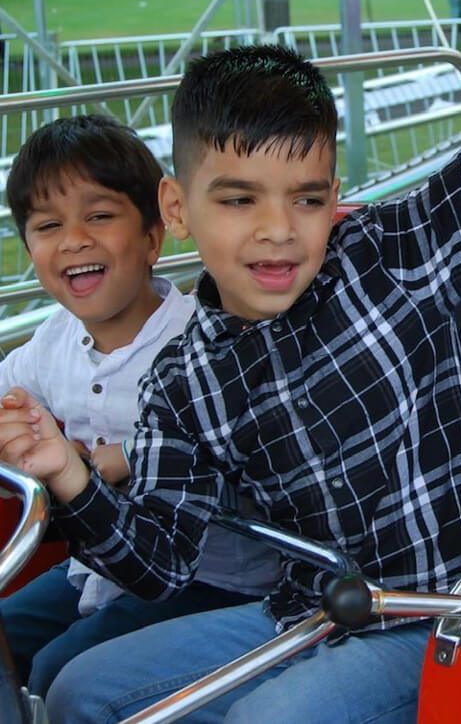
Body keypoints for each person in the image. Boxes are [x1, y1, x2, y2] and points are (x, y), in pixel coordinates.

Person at [0, 0, 461, 720]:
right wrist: (68, 476)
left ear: (335, 197)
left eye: (305, 199)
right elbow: (158, 562)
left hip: (440, 608)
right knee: (78, 691)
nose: (277, 233)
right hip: (314, 606)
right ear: (176, 210)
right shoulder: (183, 379)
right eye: (237, 201)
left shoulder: (393, 259)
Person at [0, 115, 278, 696]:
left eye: (99, 216)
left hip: (209, 579)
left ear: (154, 235)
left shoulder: (200, 343)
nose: (75, 240)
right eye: (48, 225)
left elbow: (226, 446)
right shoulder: (52, 343)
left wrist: (124, 456)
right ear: (29, 248)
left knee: (58, 671)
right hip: (98, 570)